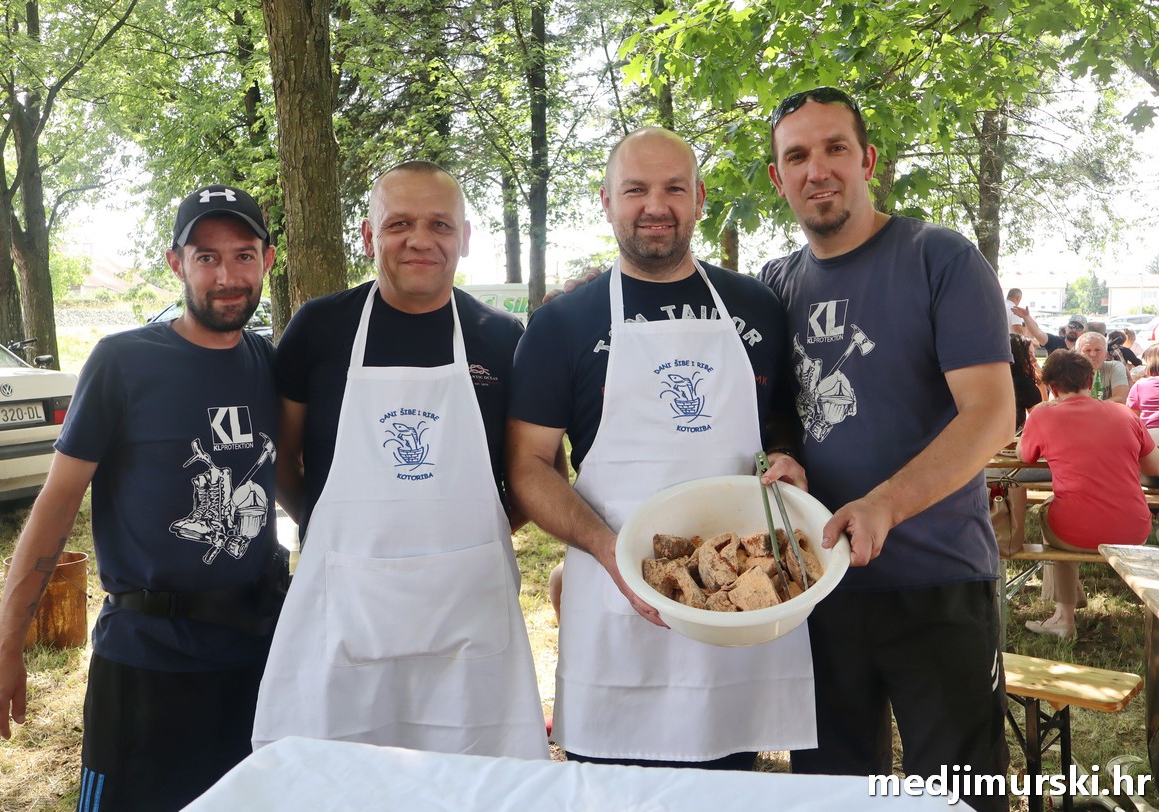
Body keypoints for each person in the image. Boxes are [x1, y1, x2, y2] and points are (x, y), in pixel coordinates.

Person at [506, 127, 815, 770]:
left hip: (736, 595)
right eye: (635, 190)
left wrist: (787, 456)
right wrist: (608, 552)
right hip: (614, 598)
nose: (655, 205)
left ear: (699, 198)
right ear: (606, 202)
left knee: (728, 780)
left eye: (674, 188)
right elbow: (528, 466)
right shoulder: (562, 324)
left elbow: (780, 418)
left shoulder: (756, 306)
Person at [0, 184, 283, 811]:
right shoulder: (123, 363)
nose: (227, 276)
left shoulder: (269, 363)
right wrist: (5, 647)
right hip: (147, 664)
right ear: (176, 263)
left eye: (243, 256)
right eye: (207, 257)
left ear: (267, 261)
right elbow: (57, 505)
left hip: (257, 661)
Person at [760, 87, 1014, 812]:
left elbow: (992, 414)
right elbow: (778, 412)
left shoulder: (939, 257)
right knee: (834, 793)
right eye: (797, 156)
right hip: (817, 586)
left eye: (835, 148)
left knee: (960, 793)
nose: (817, 170)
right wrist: (781, 453)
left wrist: (885, 504)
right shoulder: (774, 285)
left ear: (868, 160)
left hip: (938, 580)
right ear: (779, 178)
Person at [250, 161, 548, 759]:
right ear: (368, 235)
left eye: (440, 224)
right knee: (343, 777)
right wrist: (336, 531)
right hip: (348, 608)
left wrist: (470, 539)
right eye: (399, 224)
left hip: (470, 617)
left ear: (465, 237)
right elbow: (281, 458)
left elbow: (533, 476)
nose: (420, 240)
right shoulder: (320, 329)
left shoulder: (501, 337)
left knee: (473, 781)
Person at [1019, 350, 1159, 639]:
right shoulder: (1124, 414)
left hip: (1074, 531)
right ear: (1091, 378)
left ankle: (1064, 615)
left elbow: (1024, 455)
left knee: (1052, 510)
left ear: (1051, 386)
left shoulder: (1044, 414)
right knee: (1061, 508)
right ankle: (1067, 607)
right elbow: (1154, 466)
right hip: (1134, 528)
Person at [1075, 331, 1129, 403]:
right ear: (1078, 355)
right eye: (1087, 350)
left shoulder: (1114, 367)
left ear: (1106, 355)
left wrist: (1091, 407)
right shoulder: (1070, 373)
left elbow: (1121, 399)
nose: (1093, 354)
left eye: (1098, 350)